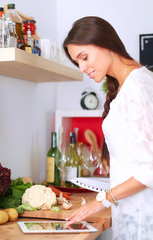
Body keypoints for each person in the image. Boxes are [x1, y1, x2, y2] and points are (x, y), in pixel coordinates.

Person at [63, 16, 153, 239]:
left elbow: (150, 169)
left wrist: (102, 200)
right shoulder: (131, 82)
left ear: (105, 43)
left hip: (143, 217)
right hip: (133, 211)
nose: (82, 68)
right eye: (77, 62)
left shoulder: (135, 88)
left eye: (84, 58)